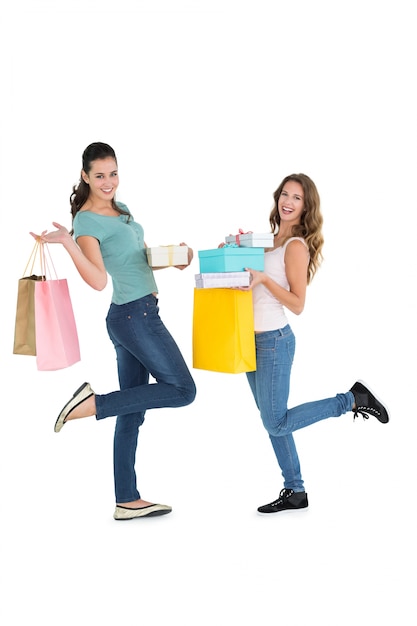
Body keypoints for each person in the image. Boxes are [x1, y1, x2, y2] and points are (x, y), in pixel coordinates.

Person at [31, 142, 196, 521]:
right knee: (184, 391)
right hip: (134, 317)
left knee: (133, 410)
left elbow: (138, 259)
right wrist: (71, 244)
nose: (108, 182)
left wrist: (175, 259)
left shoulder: (122, 211)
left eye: (114, 173)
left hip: (136, 313)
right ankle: (93, 405)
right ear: (85, 176)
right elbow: (97, 279)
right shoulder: (87, 221)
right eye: (100, 175)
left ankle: (126, 499)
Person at [238, 173, 389, 514]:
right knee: (271, 418)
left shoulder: (295, 247)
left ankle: (352, 399)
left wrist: (262, 278)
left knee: (275, 422)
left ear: (306, 208)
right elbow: (239, 270)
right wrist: (232, 248)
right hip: (249, 340)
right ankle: (295, 491)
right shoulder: (267, 240)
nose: (288, 202)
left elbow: (297, 304)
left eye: (297, 198)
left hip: (275, 342)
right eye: (285, 195)